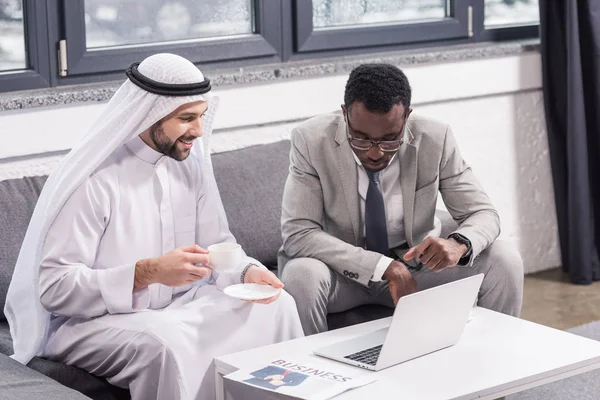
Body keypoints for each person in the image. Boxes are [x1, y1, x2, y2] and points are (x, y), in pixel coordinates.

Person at [4, 53, 304, 399]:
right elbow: (56, 288)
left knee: (278, 306)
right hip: (95, 322)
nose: (198, 130)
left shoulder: (189, 165)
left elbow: (217, 244)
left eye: (202, 116)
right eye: (187, 118)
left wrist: (246, 271)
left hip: (183, 306)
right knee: (164, 343)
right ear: (150, 114)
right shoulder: (95, 181)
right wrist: (146, 273)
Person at [279, 63, 524, 335]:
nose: (374, 153)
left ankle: (496, 360)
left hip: (418, 270)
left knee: (504, 258)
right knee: (300, 274)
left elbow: (483, 213)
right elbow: (299, 233)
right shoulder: (311, 140)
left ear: (407, 117)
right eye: (360, 139)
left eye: (389, 140)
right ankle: (315, 374)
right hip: (343, 273)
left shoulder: (435, 137)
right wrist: (384, 267)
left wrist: (458, 244)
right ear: (344, 114)